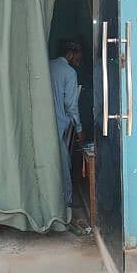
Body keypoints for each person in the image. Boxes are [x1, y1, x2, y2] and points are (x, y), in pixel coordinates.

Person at [50, 41, 84, 217]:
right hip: (59, 124)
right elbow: (71, 105)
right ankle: (66, 201)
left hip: (44, 123)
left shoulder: (47, 66)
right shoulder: (69, 73)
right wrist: (79, 129)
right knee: (63, 163)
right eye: (77, 57)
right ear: (70, 54)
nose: (79, 61)